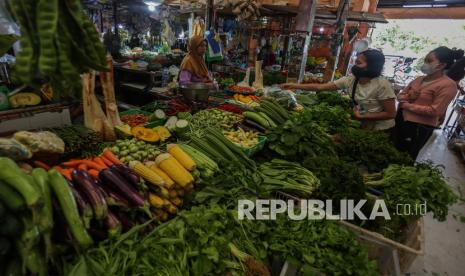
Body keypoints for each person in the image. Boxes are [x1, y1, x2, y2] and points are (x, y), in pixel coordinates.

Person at [281, 49, 396, 131]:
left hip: (380, 128)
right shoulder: (352, 79)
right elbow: (320, 87)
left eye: (358, 63)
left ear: (371, 66)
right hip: (363, 123)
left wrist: (363, 116)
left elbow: (391, 113)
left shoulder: (382, 85)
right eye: (355, 62)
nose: (354, 66)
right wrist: (294, 85)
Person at [393, 47, 465, 159]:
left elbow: (435, 110)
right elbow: (400, 96)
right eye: (425, 60)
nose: (425, 63)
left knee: (405, 156)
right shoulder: (419, 79)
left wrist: (407, 105)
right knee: (392, 149)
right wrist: (407, 96)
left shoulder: (448, 85)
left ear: (441, 65)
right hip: (401, 119)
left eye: (429, 61)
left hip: (418, 127)